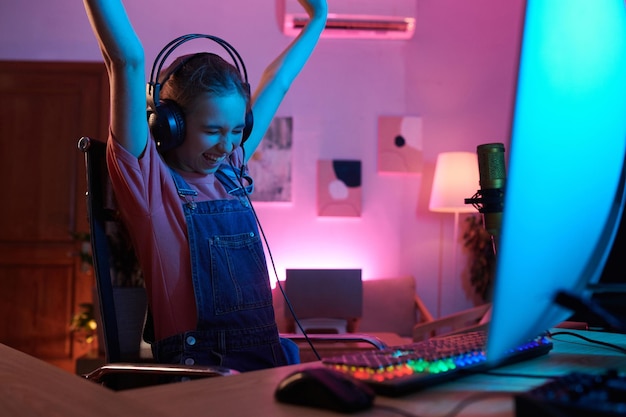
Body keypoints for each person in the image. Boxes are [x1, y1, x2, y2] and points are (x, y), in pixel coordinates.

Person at [82, 0, 328, 372]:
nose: (228, 146)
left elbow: (277, 83)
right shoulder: (147, 181)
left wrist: (318, 18)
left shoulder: (230, 168)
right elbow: (126, 59)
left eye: (235, 131)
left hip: (263, 363)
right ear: (170, 125)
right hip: (202, 372)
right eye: (212, 131)